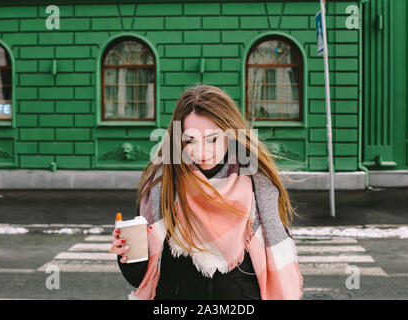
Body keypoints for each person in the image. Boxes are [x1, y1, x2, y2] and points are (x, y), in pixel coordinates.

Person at [112, 84, 303, 300]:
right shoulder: (161, 186)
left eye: (212, 139)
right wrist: (127, 253)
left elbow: (276, 265)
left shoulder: (259, 186)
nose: (201, 151)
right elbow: (141, 278)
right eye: (190, 140)